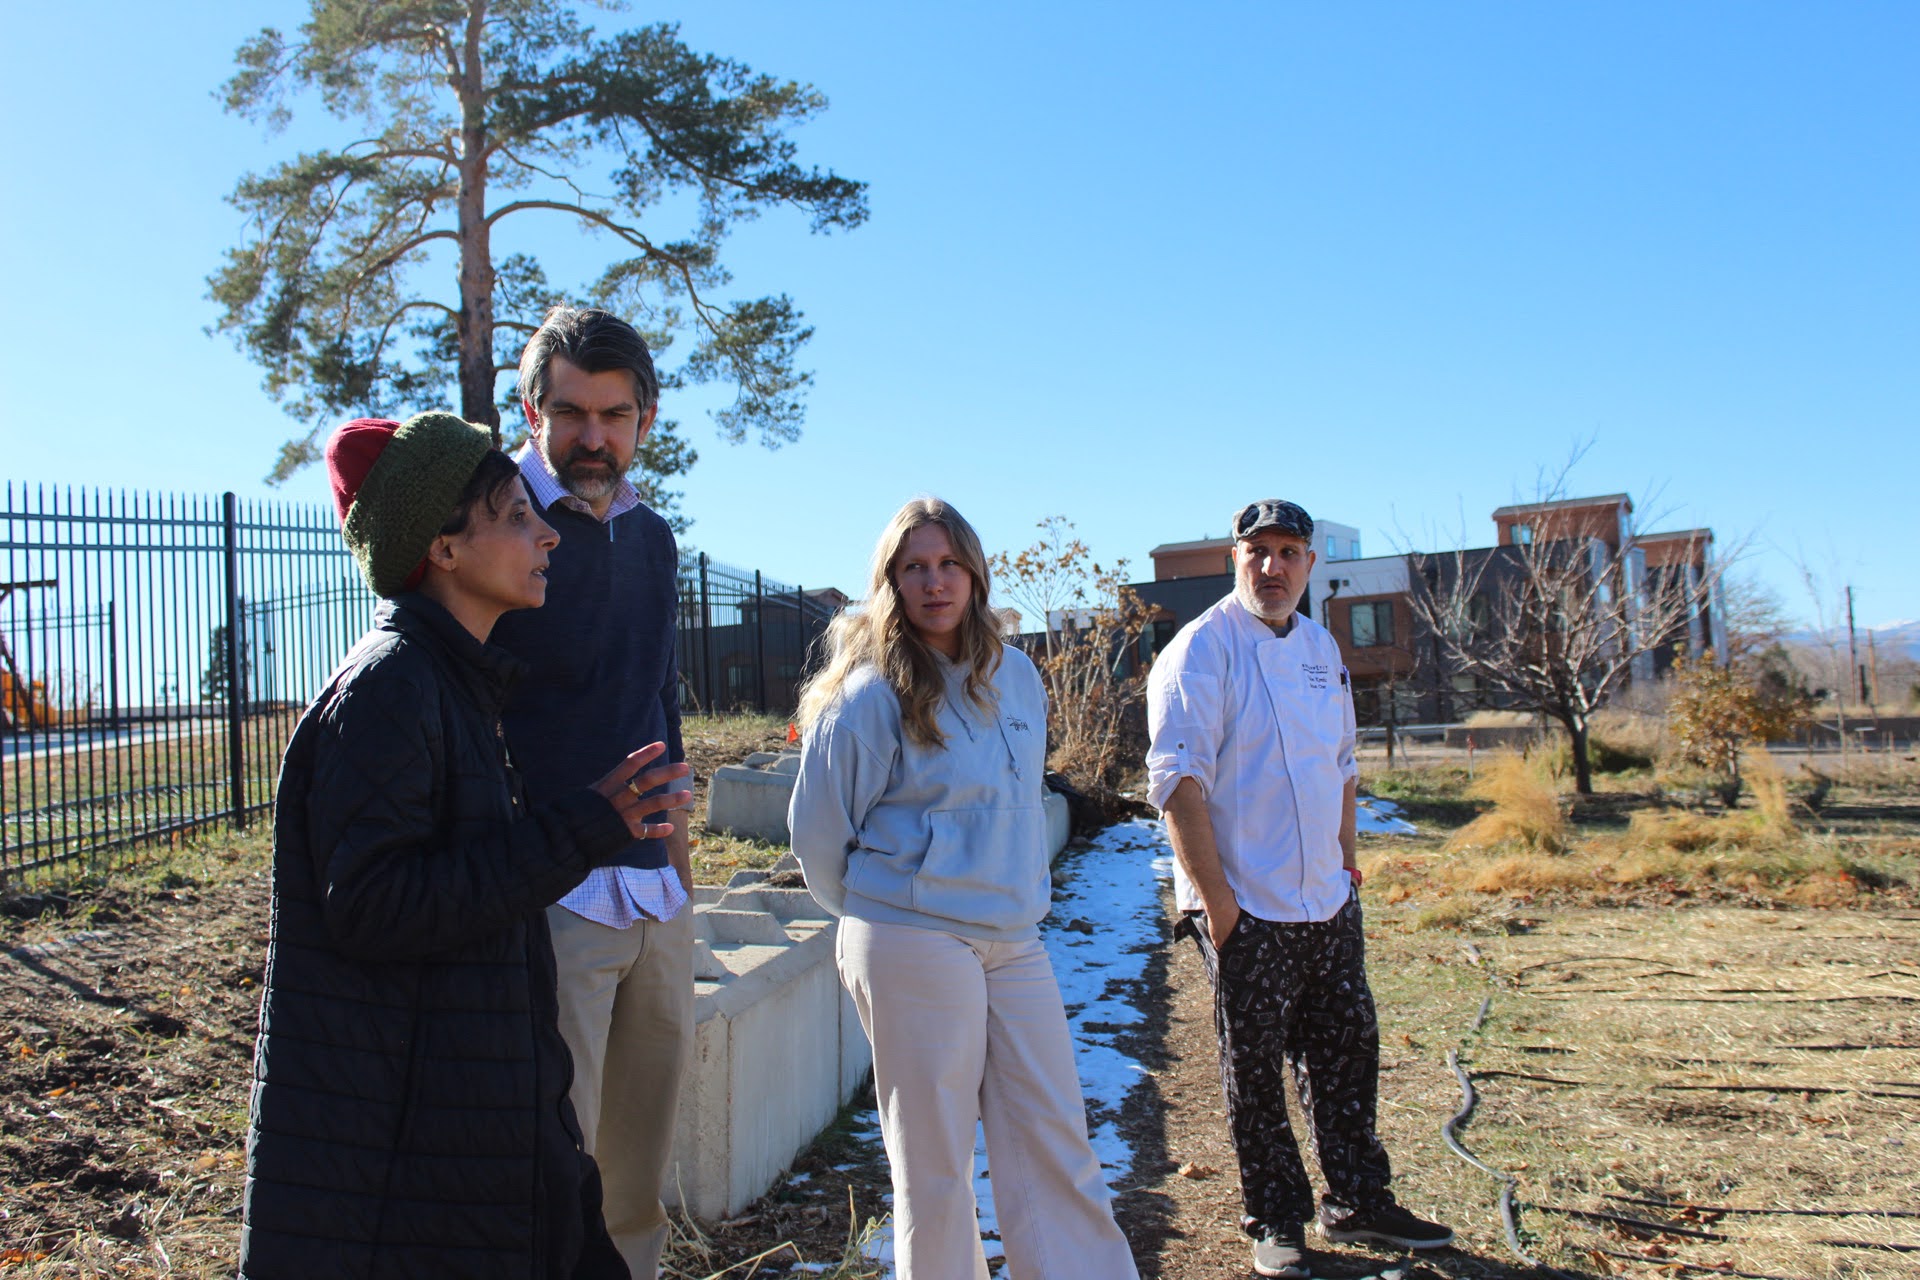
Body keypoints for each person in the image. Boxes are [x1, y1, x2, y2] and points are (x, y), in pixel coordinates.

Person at [242, 412, 691, 1279]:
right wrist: (576, 831)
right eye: (516, 516)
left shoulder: (455, 682)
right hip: (397, 1148)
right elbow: (373, 906)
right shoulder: (390, 690)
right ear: (442, 549)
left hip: (458, 1128)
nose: (546, 537)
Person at [786, 498, 1139, 1280]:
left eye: (948, 564)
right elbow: (817, 835)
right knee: (937, 1165)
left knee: (1056, 1138)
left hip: (1012, 939)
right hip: (912, 936)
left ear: (975, 574)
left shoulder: (1015, 675)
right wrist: (886, 913)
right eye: (914, 567)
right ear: (891, 582)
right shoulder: (869, 694)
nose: (934, 582)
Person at [1145, 498, 1453, 1278]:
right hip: (1248, 904)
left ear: (1311, 564)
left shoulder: (1320, 648)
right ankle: (1275, 1220)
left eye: (1289, 552)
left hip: (1327, 898)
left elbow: (1342, 767)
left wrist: (1348, 868)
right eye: (1258, 552)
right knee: (1255, 1072)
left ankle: (1357, 1201)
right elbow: (1179, 785)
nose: (1273, 567)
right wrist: (1219, 909)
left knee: (1348, 1048)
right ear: (1234, 557)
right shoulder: (1200, 652)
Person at [488, 307, 691, 1280]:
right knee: (544, 1171)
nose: (593, 437)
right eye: (571, 413)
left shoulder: (654, 538)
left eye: (615, 414)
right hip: (551, 897)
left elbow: (661, 701)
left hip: (656, 898)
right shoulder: (493, 528)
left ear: (646, 417)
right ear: (532, 410)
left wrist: (683, 879)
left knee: (636, 1178)